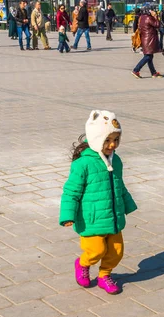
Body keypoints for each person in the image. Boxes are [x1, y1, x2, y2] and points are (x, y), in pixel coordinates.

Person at [60, 110, 137, 295]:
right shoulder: (83, 164)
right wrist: (67, 215)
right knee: (96, 250)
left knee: (116, 251)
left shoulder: (116, 160)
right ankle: (83, 263)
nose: (112, 144)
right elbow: (71, 192)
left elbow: (119, 185)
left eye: (116, 140)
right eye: (108, 140)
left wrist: (127, 204)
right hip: (91, 219)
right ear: (96, 139)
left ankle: (104, 275)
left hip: (114, 217)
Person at [132, 7, 162, 78]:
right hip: (149, 39)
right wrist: (155, 16)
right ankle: (136, 70)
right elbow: (157, 24)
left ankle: (153, 72)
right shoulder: (149, 18)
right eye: (151, 10)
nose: (152, 11)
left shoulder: (142, 17)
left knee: (149, 56)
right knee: (148, 56)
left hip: (145, 39)